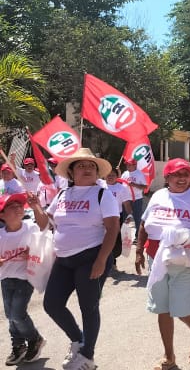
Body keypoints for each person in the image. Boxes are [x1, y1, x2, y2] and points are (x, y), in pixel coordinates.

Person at [134, 158, 190, 370]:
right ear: (167, 177)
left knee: (181, 308)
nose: (182, 178)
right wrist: (139, 251)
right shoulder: (158, 196)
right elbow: (144, 225)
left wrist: (185, 236)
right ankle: (169, 357)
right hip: (156, 258)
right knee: (162, 308)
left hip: (186, 258)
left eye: (185, 174)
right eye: (176, 174)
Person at [43, 148, 119, 370]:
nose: (87, 169)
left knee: (89, 307)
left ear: (97, 173)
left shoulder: (102, 195)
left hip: (91, 256)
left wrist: (101, 260)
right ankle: (78, 340)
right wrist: (35, 206)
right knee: (52, 304)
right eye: (81, 166)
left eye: (91, 166)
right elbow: (45, 223)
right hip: (64, 258)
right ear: (71, 172)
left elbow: (113, 228)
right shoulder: (61, 195)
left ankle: (87, 357)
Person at [0, 192, 48, 365]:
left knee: (17, 314)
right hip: (5, 279)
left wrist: (36, 207)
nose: (18, 208)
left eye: (19, 205)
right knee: (10, 316)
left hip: (25, 278)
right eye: (12, 207)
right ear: (2, 215)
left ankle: (35, 339)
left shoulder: (30, 227)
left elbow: (44, 227)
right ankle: (18, 346)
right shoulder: (1, 235)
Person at [104, 168, 134, 272]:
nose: (110, 176)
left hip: (116, 218)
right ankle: (104, 263)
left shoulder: (121, 188)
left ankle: (112, 262)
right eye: (108, 174)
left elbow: (126, 203)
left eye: (113, 175)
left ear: (117, 177)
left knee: (114, 241)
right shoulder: (100, 187)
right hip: (101, 218)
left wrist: (130, 215)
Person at [119, 158, 147, 234]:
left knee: (137, 217)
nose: (127, 166)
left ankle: (138, 235)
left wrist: (134, 185)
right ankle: (124, 234)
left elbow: (145, 187)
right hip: (125, 199)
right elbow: (120, 183)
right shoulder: (125, 173)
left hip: (136, 199)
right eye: (127, 164)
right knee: (125, 217)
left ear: (135, 165)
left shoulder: (140, 174)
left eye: (129, 164)